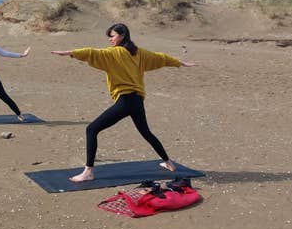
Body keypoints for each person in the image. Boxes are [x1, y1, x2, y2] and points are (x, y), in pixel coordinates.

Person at [51, 23, 197, 182]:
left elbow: (94, 53)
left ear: (121, 35)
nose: (110, 40)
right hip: (137, 100)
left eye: (112, 36)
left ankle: (88, 172)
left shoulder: (115, 53)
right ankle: (169, 163)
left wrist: (70, 53)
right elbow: (160, 57)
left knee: (91, 129)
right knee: (146, 132)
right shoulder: (138, 53)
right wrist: (179, 63)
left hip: (126, 101)